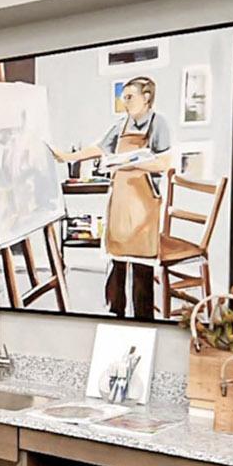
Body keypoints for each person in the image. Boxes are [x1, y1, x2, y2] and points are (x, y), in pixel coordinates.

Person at [54, 75, 175, 319]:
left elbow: (164, 162)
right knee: (118, 259)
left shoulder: (158, 124)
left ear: (147, 98)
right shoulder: (121, 125)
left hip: (143, 203)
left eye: (130, 97)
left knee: (141, 263)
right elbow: (99, 148)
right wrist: (68, 157)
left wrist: (136, 163)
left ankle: (143, 317)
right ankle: (115, 312)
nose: (125, 101)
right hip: (121, 200)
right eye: (124, 97)